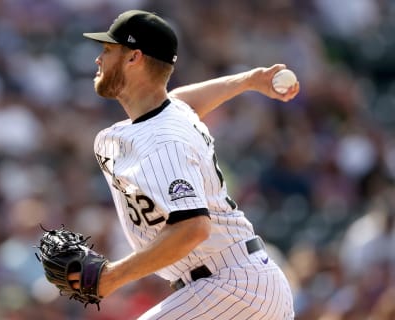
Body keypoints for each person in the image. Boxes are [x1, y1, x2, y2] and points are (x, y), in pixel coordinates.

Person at [71, 9, 299, 319]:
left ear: (134, 58)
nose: (99, 59)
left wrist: (113, 277)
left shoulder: (164, 140)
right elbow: (184, 101)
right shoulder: (171, 115)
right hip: (240, 285)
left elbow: (193, 227)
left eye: (109, 50)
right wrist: (248, 80)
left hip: (231, 287)